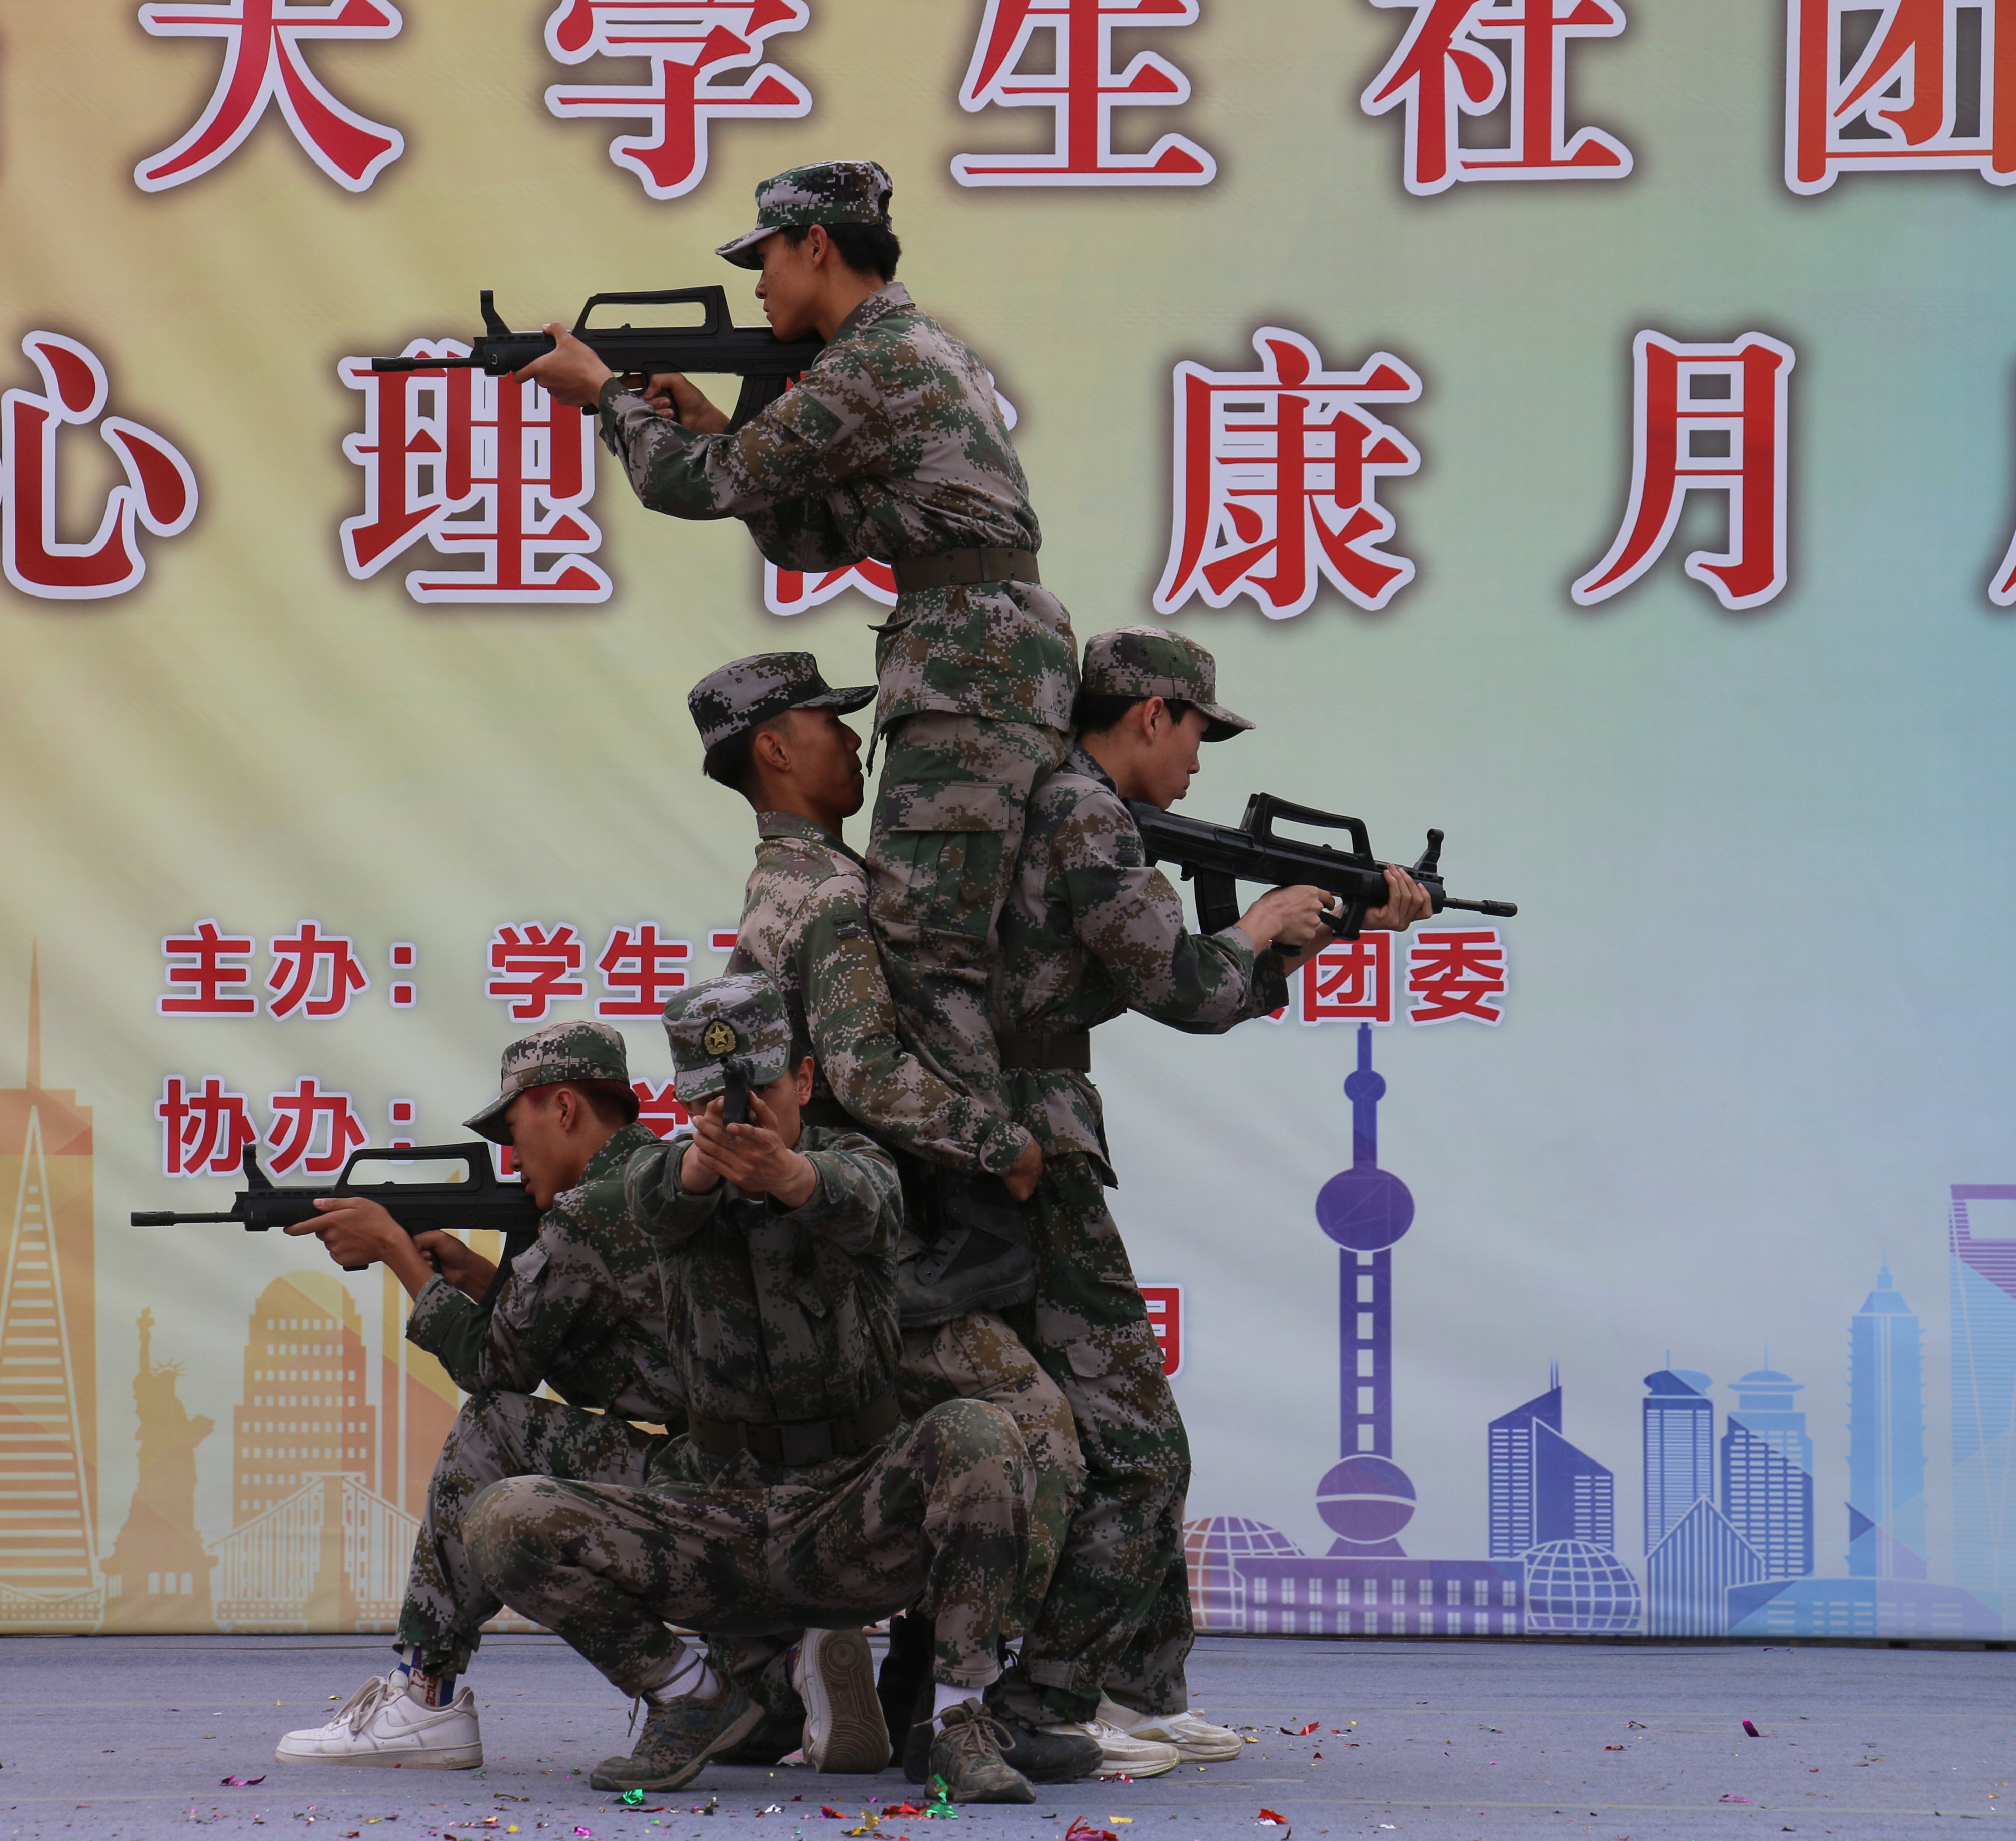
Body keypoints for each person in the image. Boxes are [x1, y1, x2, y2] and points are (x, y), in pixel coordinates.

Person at [521, 159, 1075, 1129]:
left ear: (816, 244)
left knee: (927, 950)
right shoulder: (916, 349)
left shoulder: (874, 361)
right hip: (982, 651)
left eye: (765, 260)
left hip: (969, 659)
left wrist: (607, 397)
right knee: (952, 937)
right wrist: (710, 423)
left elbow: (696, 485)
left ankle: (978, 1179)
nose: (758, 286)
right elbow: (809, 540)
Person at [968, 627, 1430, 1777]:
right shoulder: (1085, 813)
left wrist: (1319, 929)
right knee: (1139, 1441)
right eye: (1196, 735)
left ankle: (1139, 1690)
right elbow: (1181, 985)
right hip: (1028, 1142)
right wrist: (1264, 927)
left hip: (1021, 1131)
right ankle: (1048, 1701)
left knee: (1127, 1432)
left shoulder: (1070, 805)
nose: (1197, 761)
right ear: (1151, 714)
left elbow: (1189, 984)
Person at [461, 977, 1042, 1802]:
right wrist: (705, 1164)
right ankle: (689, 1697)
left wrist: (788, 1174)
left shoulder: (859, 1164)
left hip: (853, 1517)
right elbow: (662, 1202)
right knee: (505, 1519)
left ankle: (958, 1721)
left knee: (980, 1435)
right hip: (716, 1518)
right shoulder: (659, 1181)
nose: (740, 1113)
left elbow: (862, 1203)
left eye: (758, 1088)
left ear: (804, 1080)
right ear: (682, 1102)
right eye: (712, 1099)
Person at [687, 648, 1091, 1781]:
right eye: (828, 722)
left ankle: (892, 1688)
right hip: (878, 1252)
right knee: (1042, 1442)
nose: (852, 739)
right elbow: (865, 1073)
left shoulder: (789, 887)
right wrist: (1001, 1145)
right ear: (775, 748)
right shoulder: (827, 898)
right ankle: (947, 1701)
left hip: (836, 1247)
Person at [268, 1021, 679, 1771]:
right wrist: (467, 1273)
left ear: (564, 1108)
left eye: (514, 1131)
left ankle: (425, 1695)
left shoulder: (590, 1211)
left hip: (708, 1484)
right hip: (753, 1466)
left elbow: (497, 1370)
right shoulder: (658, 1180)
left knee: (492, 1426)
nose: (511, 1159)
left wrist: (399, 1255)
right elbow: (608, 1353)